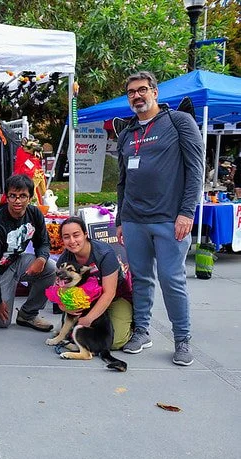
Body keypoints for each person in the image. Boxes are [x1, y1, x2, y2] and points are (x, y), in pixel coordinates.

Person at [116, 71, 202, 365]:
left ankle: (182, 339)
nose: (137, 96)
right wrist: (120, 219)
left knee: (171, 279)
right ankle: (142, 331)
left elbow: (195, 171)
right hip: (134, 220)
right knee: (140, 278)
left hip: (169, 219)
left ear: (155, 92)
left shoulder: (179, 122)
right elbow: (122, 181)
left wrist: (187, 212)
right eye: (131, 92)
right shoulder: (127, 133)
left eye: (142, 90)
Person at [0, 174, 56, 331]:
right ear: (7, 197)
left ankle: (28, 314)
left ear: (30, 197)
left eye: (22, 196)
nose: (17, 201)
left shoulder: (34, 214)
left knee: (50, 268)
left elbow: (44, 242)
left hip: (15, 261)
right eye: (13, 196)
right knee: (1, 322)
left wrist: (41, 259)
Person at [57, 217, 133, 350]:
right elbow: (59, 290)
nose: (72, 241)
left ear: (85, 234)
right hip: (87, 300)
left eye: (76, 235)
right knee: (70, 335)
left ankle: (132, 328)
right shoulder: (64, 259)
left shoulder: (104, 254)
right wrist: (65, 307)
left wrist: (88, 319)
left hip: (116, 298)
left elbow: (109, 293)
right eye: (66, 237)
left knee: (114, 342)